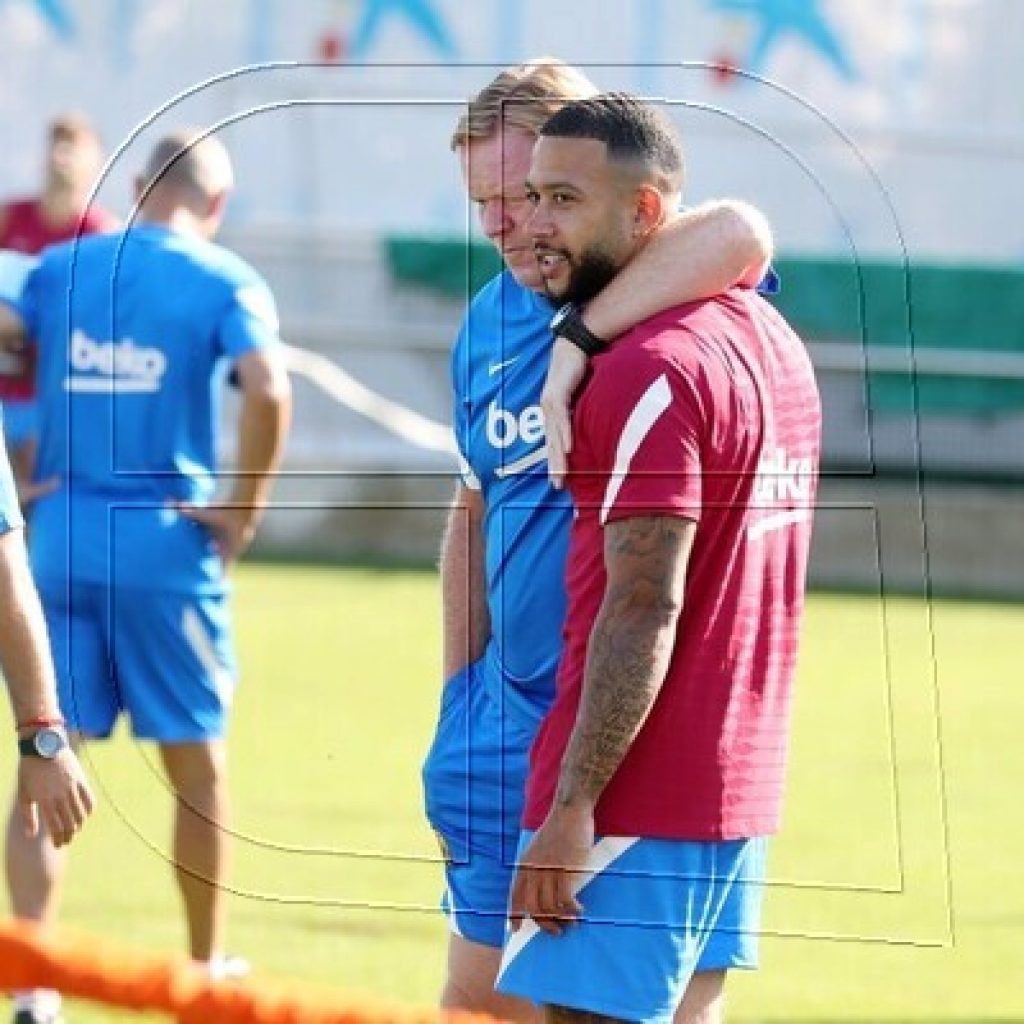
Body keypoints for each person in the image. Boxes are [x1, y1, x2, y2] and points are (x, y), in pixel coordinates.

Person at [421, 59, 775, 1024]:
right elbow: (474, 506)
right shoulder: (485, 323)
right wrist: (461, 695)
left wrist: (581, 339)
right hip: (504, 723)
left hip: (617, 721)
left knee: (609, 1005)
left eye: (523, 195)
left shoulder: (650, 288)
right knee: (478, 993)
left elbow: (742, 228)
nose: (502, 223)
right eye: (483, 201)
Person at [494, 93, 822, 1023]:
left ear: (645, 213)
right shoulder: (770, 340)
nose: (533, 224)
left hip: (634, 796)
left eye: (564, 199)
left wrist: (572, 807)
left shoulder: (649, 371)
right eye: (530, 196)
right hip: (732, 782)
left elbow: (644, 607)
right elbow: (737, 234)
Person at [0, 130, 291, 1024]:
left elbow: (10, 336)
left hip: (64, 540)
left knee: (48, 755)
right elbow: (268, 389)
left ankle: (33, 980)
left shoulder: (60, 270)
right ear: (217, 203)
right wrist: (241, 510)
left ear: (135, 186)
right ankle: (204, 971)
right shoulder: (225, 279)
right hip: (167, 546)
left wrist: (20, 462)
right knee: (196, 772)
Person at [0, 113, 118, 505]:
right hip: (5, 387)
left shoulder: (101, 235)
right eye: (56, 143)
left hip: (53, 395)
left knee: (40, 501)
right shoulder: (12, 217)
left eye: (73, 145)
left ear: (95, 162)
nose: (61, 154)